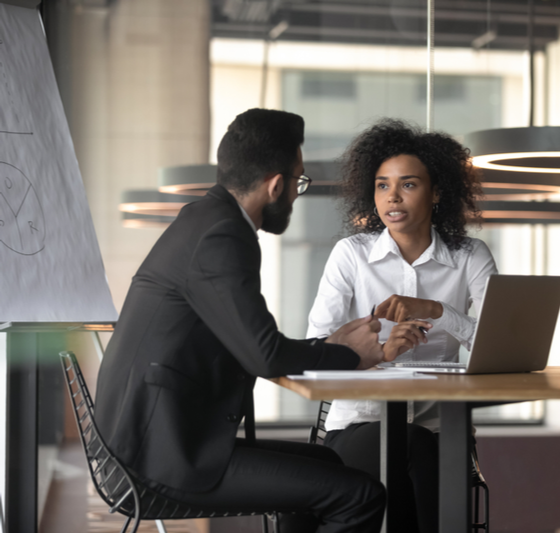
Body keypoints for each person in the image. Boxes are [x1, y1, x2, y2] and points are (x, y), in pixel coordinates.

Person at [95, 109, 386, 532]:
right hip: (155, 456)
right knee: (360, 496)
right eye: (298, 182)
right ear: (274, 184)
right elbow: (264, 355)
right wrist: (349, 355)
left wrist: (334, 343)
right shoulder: (223, 235)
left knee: (325, 463)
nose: (295, 194)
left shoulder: (205, 219)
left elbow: (251, 342)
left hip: (151, 439)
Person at [307, 119, 498, 533]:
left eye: (408, 184)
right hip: (358, 425)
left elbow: (496, 345)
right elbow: (317, 344)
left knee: (421, 445)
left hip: (440, 428)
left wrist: (436, 309)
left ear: (437, 192)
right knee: (412, 445)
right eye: (382, 185)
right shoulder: (351, 255)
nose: (392, 196)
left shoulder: (470, 256)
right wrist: (377, 351)